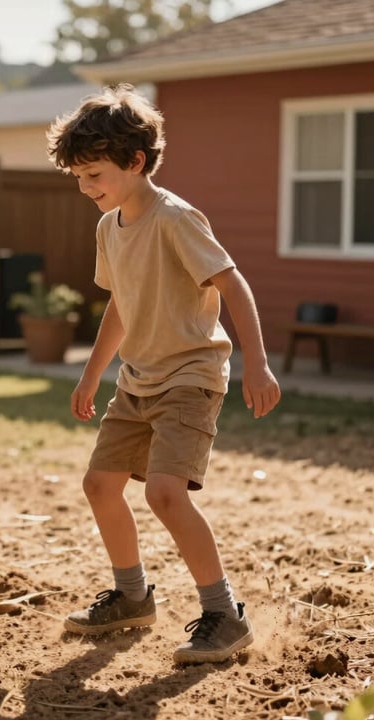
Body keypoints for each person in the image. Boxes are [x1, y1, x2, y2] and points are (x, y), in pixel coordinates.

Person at [45, 83, 281, 664]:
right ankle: (131, 597)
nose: (85, 187)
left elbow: (232, 282)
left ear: (136, 161)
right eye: (78, 176)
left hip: (190, 376)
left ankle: (224, 614)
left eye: (94, 174)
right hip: (137, 380)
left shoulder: (175, 218)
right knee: (100, 485)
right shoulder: (109, 228)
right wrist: (89, 376)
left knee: (165, 493)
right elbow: (121, 306)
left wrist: (258, 361)